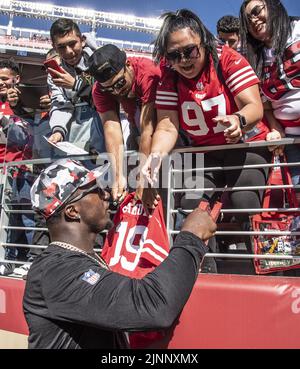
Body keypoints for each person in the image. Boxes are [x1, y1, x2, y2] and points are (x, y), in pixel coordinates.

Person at [23, 158, 216, 349]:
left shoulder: (76, 261)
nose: (106, 194)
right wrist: (192, 236)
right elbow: (153, 306)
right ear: (73, 211)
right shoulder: (56, 272)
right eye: (95, 190)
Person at [142, 9, 272, 268]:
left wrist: (239, 120)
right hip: (206, 150)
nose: (183, 60)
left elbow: (253, 106)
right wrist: (153, 158)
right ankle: (204, 266)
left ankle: (254, 263)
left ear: (204, 41)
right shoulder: (169, 76)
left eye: (190, 51)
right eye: (174, 55)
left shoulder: (227, 59)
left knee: (244, 201)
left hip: (246, 144)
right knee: (192, 204)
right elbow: (167, 126)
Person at [88, 44, 162, 208]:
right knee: (126, 181)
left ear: (128, 65)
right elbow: (111, 129)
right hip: (136, 125)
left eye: (119, 83)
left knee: (152, 181)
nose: (116, 91)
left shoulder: (148, 71)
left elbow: (148, 128)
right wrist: (117, 176)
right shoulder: (100, 90)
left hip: (158, 124)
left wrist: (143, 177)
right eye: (109, 89)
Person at [239, 0, 300, 197]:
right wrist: (276, 128)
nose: (254, 20)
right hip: (292, 139)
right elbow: (264, 106)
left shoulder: (297, 28)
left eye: (257, 11)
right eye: (248, 20)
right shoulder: (253, 57)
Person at [46, 18, 105, 158]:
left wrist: (75, 85)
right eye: (61, 47)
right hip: (76, 140)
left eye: (72, 44)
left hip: (106, 136)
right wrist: (58, 131)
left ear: (82, 40)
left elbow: (108, 97)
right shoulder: (55, 73)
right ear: (54, 47)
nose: (69, 52)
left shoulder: (101, 61)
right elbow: (60, 104)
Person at [0, 59, 34, 276]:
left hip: (22, 171)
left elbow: (26, 135)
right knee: (5, 216)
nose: (1, 83)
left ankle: (21, 260)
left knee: (23, 218)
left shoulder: (28, 101)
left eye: (4, 78)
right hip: (2, 171)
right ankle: (6, 259)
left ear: (16, 79)